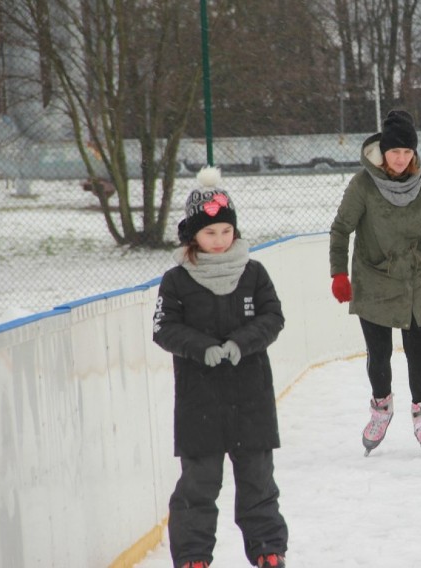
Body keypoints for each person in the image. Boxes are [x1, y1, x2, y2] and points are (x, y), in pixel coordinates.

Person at [152, 167, 288, 568]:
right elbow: (164, 329)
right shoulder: (176, 280)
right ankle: (193, 557)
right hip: (200, 402)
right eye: (210, 233)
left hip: (251, 398)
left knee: (258, 481)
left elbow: (273, 317)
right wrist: (202, 348)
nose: (219, 240)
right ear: (193, 235)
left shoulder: (253, 273)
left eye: (225, 231)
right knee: (198, 485)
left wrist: (239, 344)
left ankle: (268, 549)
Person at [329, 109, 421, 456]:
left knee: (417, 350)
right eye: (395, 152)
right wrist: (338, 273)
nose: (401, 158)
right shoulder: (363, 184)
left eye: (408, 152)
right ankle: (381, 408)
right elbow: (341, 228)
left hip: (414, 277)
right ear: (383, 151)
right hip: (374, 275)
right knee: (379, 353)